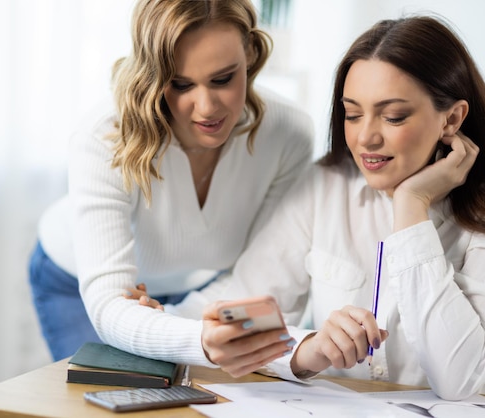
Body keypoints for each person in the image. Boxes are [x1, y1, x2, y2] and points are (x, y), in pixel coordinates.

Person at [135, 15, 485, 400]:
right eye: (353, 115)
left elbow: (458, 379)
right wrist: (172, 321)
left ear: (451, 120)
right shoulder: (326, 186)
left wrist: (411, 206)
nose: (365, 139)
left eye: (392, 117)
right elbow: (248, 308)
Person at [28, 0, 314, 362]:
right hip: (77, 281)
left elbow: (254, 271)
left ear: (252, 54)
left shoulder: (288, 135)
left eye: (223, 79)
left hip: (197, 290)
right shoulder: (103, 136)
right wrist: (197, 339)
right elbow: (110, 304)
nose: (207, 107)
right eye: (180, 84)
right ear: (153, 76)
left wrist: (184, 325)